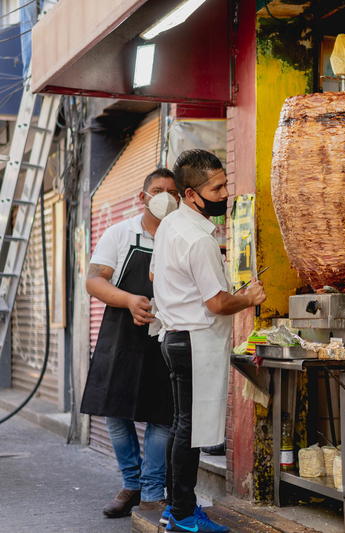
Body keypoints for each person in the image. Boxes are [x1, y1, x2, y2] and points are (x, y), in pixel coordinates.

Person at [152, 149, 265, 533]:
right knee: (191, 429)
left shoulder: (171, 225)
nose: (224, 193)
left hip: (174, 338)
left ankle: (174, 507)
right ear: (189, 194)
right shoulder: (199, 241)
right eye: (216, 188)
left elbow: (157, 275)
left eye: (225, 183)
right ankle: (183, 515)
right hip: (194, 342)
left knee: (182, 425)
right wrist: (248, 298)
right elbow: (217, 303)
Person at [80, 168, 180, 518]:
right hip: (121, 332)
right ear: (143, 197)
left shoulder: (181, 236)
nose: (165, 196)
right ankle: (131, 484)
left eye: (172, 191)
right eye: (157, 190)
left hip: (166, 334)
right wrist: (128, 300)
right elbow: (93, 280)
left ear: (181, 198)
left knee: (162, 414)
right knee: (115, 411)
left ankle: (153, 492)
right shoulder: (121, 233)